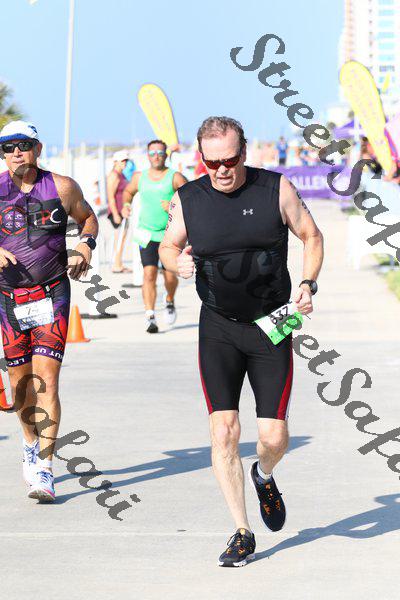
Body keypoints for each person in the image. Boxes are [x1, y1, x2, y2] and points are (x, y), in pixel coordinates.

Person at [159, 116, 324, 567]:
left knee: (274, 436)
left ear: (244, 152)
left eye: (229, 161)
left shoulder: (276, 189)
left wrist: (307, 283)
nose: (221, 170)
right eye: (211, 163)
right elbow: (167, 246)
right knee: (223, 431)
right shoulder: (189, 199)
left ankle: (264, 474)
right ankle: (242, 530)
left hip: (273, 323)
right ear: (201, 159)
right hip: (218, 326)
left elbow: (311, 235)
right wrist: (176, 263)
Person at [0, 120, 98, 502]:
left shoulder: (61, 187)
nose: (15, 152)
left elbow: (88, 218)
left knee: (48, 381)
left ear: (37, 149)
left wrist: (86, 244)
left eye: (23, 145)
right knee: (21, 385)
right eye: (7, 147)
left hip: (52, 294)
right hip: (9, 298)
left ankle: (45, 466)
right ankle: (29, 442)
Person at [122, 140, 187, 333]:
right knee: (149, 274)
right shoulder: (139, 177)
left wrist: (173, 205)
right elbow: (128, 192)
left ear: (166, 154)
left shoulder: (175, 177)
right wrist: (126, 205)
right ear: (147, 156)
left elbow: (192, 198)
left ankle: (169, 300)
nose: (156, 155)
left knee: (170, 276)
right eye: (152, 153)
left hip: (170, 235)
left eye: (160, 152)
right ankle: (150, 316)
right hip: (147, 234)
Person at [107, 150, 131, 273]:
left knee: (122, 238)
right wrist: (115, 214)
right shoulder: (114, 176)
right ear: (115, 162)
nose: (124, 163)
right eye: (122, 161)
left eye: (126, 160)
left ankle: (118, 263)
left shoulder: (121, 174)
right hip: (117, 211)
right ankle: (116, 265)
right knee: (119, 238)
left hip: (123, 211)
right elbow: (111, 197)